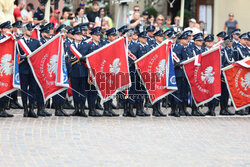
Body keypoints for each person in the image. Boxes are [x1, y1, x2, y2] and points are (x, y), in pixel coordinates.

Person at [17, 23, 41, 118]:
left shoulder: (35, 42)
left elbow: (39, 54)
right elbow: (15, 56)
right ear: (24, 30)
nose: (31, 31)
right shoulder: (18, 42)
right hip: (23, 69)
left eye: (31, 30)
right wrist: (21, 57)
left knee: (33, 90)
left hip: (32, 70)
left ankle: (31, 109)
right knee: (24, 90)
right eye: (29, 29)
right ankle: (25, 109)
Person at [68, 26, 89, 117]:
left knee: (83, 91)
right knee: (75, 92)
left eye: (80, 34)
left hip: (83, 71)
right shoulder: (69, 46)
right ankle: (76, 109)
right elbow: (67, 58)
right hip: (74, 71)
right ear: (73, 36)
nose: (80, 36)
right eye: (77, 34)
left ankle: (82, 109)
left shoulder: (86, 45)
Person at [101, 27, 120, 117]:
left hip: (114, 71)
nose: (115, 37)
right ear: (108, 37)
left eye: (115, 36)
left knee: (112, 90)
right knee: (106, 91)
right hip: (106, 71)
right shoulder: (104, 44)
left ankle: (110, 109)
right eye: (113, 36)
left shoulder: (116, 45)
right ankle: (106, 109)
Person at [186, 33, 206, 116]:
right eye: (198, 40)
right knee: (194, 91)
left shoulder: (203, 50)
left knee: (199, 91)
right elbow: (191, 59)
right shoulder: (192, 49)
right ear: (195, 41)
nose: (200, 42)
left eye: (201, 40)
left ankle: (197, 108)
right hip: (194, 72)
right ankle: (194, 109)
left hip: (201, 73)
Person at [87, 27, 104, 116]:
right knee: (91, 91)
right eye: (97, 35)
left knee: (96, 91)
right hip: (92, 72)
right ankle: (91, 109)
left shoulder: (100, 45)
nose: (99, 37)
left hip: (99, 71)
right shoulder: (89, 45)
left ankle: (94, 108)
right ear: (92, 36)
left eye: (99, 35)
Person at [151, 29, 166, 117]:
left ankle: (158, 108)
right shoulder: (152, 46)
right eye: (160, 36)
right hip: (154, 71)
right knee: (155, 90)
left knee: (160, 90)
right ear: (156, 37)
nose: (161, 37)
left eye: (162, 36)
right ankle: (154, 109)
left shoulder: (163, 46)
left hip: (162, 71)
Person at [220, 35, 236, 116]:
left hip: (230, 74)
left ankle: (226, 108)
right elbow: (221, 63)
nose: (230, 42)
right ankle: (222, 109)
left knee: (227, 93)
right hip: (224, 74)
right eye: (229, 41)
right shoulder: (223, 50)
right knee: (223, 93)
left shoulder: (232, 50)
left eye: (231, 41)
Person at [203, 34, 217, 116]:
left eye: (211, 42)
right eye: (208, 42)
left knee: (214, 92)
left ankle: (213, 109)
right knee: (207, 92)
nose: (210, 43)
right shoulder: (202, 50)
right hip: (205, 74)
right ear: (205, 43)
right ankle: (208, 108)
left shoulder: (216, 50)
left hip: (214, 73)